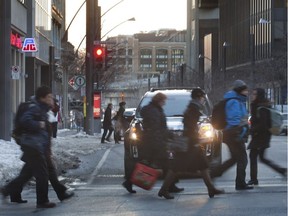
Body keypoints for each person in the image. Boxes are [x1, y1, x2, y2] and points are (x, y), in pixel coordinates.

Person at [0, 86, 74, 208]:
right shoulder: (35, 107)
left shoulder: (41, 108)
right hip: (33, 145)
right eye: (49, 97)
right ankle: (42, 201)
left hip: (38, 146)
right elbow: (25, 120)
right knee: (42, 174)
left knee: (31, 172)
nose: (51, 99)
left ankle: (9, 190)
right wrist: (38, 124)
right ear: (42, 98)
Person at [122, 93, 183, 199]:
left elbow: (160, 128)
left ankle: (129, 182)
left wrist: (169, 135)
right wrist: (166, 138)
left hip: (153, 143)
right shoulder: (154, 111)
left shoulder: (155, 109)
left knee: (148, 164)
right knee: (168, 165)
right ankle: (167, 188)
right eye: (163, 101)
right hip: (155, 143)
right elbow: (157, 129)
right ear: (159, 100)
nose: (164, 103)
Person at [178, 88, 224, 198]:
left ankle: (211, 188)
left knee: (203, 165)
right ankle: (164, 189)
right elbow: (190, 126)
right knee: (177, 167)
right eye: (203, 97)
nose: (203, 100)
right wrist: (195, 139)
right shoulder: (194, 108)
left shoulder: (194, 107)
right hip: (191, 142)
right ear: (199, 97)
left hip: (192, 141)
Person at [213, 80, 252, 190]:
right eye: (245, 90)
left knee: (234, 158)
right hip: (234, 134)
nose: (247, 92)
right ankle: (240, 183)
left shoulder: (236, 100)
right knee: (242, 159)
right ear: (240, 90)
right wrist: (240, 130)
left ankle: (215, 173)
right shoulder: (234, 101)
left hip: (232, 133)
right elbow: (234, 119)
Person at [247, 88, 287, 185]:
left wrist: (251, 130)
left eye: (255, 94)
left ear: (259, 95)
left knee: (253, 156)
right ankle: (281, 170)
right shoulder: (260, 106)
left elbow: (262, 125)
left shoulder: (262, 108)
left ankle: (254, 179)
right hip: (262, 136)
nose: (253, 96)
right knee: (262, 158)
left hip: (260, 136)